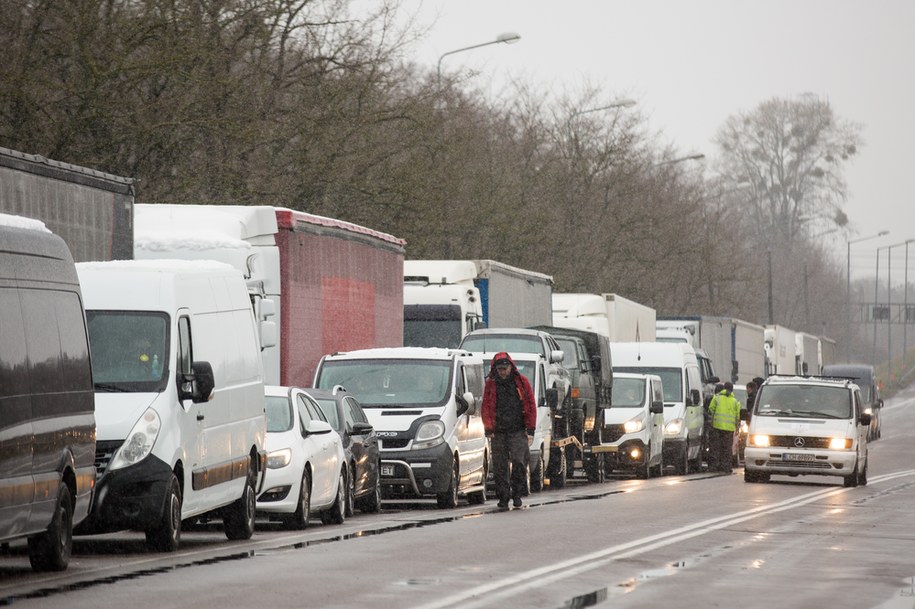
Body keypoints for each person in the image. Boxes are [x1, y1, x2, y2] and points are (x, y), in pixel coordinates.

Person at [482, 352, 536, 510]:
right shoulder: (491, 384)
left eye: (504, 369)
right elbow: (486, 406)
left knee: (519, 462)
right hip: (498, 432)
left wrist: (530, 428)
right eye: (500, 369)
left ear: (511, 367)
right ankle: (503, 497)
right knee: (499, 466)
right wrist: (488, 428)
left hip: (518, 430)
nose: (502, 372)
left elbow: (530, 404)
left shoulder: (522, 382)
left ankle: (517, 493)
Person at [707, 381, 741, 473]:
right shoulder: (735, 401)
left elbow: (710, 410)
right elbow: (738, 417)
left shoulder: (717, 398)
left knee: (715, 448)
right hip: (729, 429)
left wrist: (710, 425)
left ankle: (714, 467)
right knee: (726, 449)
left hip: (716, 428)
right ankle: (726, 467)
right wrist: (737, 428)